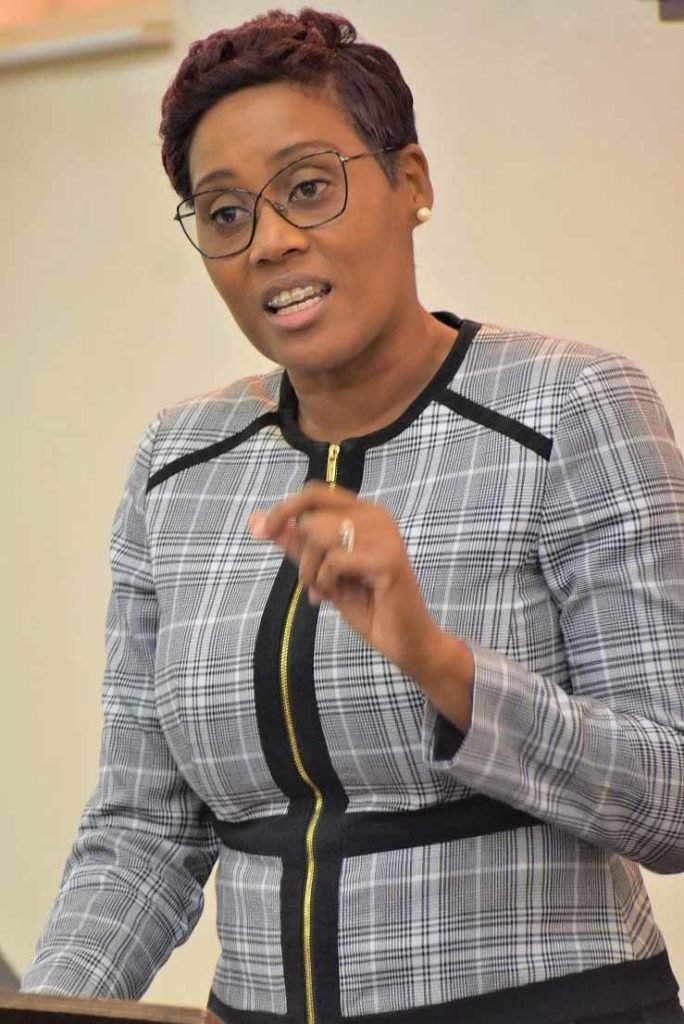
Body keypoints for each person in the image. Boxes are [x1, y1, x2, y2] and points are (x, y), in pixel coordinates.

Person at [22, 8, 684, 1024]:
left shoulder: (572, 406)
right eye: (225, 212)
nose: (271, 240)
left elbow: (673, 796)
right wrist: (47, 1007)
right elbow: (141, 835)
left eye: (308, 187)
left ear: (411, 182)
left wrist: (442, 665)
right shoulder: (177, 464)